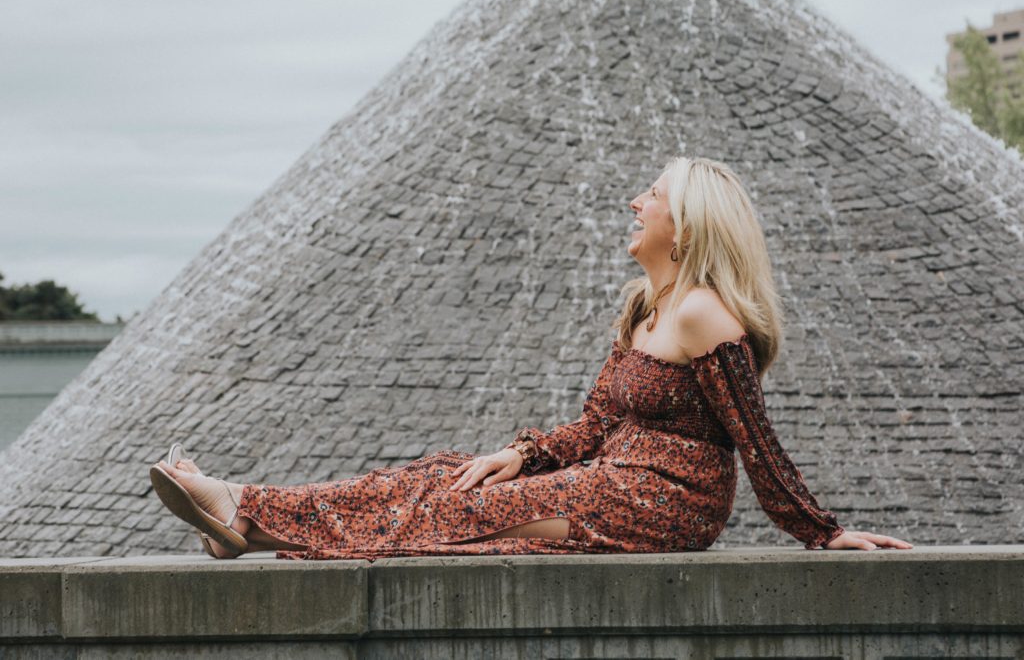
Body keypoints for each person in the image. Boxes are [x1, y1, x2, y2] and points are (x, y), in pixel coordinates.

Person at [150, 155, 913, 560]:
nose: (635, 203)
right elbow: (591, 428)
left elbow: (756, 436)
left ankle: (240, 503)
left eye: (651, 193)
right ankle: (246, 523)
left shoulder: (705, 311)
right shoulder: (645, 308)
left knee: (459, 511)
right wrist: (520, 454)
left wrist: (819, 529)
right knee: (443, 474)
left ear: (687, 226)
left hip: (664, 503)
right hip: (607, 480)